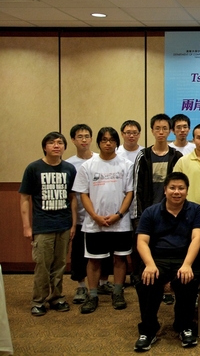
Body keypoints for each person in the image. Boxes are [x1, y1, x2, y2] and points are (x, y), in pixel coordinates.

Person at [133, 172, 200, 351]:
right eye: (172, 188)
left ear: (187, 191)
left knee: (187, 279)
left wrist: (187, 264)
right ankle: (148, 330)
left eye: (181, 188)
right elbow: (142, 241)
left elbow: (197, 238)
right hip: (157, 258)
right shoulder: (151, 212)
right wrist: (150, 264)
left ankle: (184, 326)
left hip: (185, 258)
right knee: (147, 281)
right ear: (165, 190)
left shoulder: (197, 210)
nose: (177, 192)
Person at [72, 126, 134, 314]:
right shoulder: (88, 165)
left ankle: (117, 292)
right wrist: (95, 216)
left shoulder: (126, 164)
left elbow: (129, 192)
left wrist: (119, 215)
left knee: (120, 258)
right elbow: (83, 194)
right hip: (94, 223)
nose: (108, 143)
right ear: (98, 142)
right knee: (94, 260)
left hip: (120, 222)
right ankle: (92, 296)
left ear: (116, 143)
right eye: (104, 140)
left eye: (112, 140)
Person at [19, 131, 77, 316]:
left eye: (60, 143)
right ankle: (38, 300)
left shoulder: (69, 169)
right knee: (42, 265)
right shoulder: (33, 168)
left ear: (64, 147)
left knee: (60, 264)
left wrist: (74, 224)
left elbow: (72, 198)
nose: (56, 146)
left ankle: (57, 297)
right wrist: (27, 226)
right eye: (52, 143)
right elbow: (25, 198)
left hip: (64, 225)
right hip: (42, 226)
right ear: (45, 147)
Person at [133, 114, 183, 301]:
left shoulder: (176, 156)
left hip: (170, 212)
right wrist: (138, 216)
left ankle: (169, 288)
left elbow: (180, 187)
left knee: (169, 250)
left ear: (170, 131)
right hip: (148, 214)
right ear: (152, 131)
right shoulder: (143, 155)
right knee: (149, 251)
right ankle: (153, 288)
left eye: (164, 128)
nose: (161, 132)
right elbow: (136, 187)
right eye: (157, 128)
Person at [67, 124, 112, 304]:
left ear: (92, 139)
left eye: (87, 136)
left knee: (105, 252)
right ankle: (81, 286)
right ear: (73, 140)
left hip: (104, 217)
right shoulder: (70, 164)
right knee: (79, 253)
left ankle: (103, 282)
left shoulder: (100, 159)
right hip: (80, 216)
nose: (84, 140)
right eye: (80, 137)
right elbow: (73, 194)